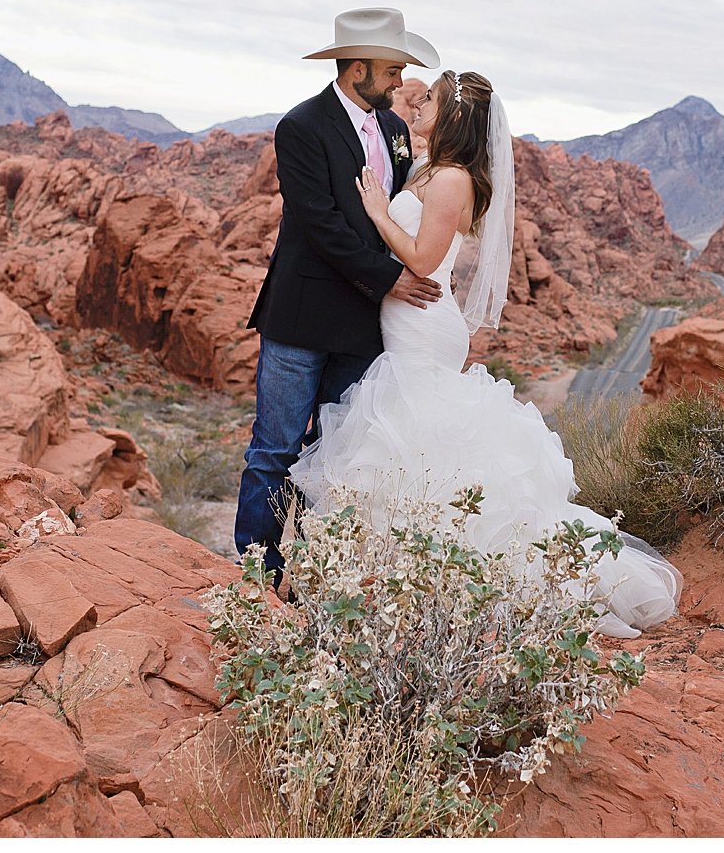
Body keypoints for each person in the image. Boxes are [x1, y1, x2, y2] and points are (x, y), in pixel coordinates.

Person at [290, 70, 683, 637]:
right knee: (416, 446)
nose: (419, 102)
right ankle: (405, 579)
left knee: (422, 443)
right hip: (408, 323)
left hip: (423, 324)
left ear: (454, 117)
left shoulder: (450, 180)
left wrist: (378, 214)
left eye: (431, 100)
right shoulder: (432, 167)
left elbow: (424, 261)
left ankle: (446, 579)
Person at [237, 7, 443, 581]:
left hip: (364, 327)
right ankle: (255, 573)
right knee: (275, 450)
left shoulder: (398, 133)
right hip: (300, 320)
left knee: (332, 454)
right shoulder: (300, 128)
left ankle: (308, 572)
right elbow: (321, 223)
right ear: (357, 69)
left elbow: (397, 217)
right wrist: (390, 280)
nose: (401, 82)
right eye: (393, 70)